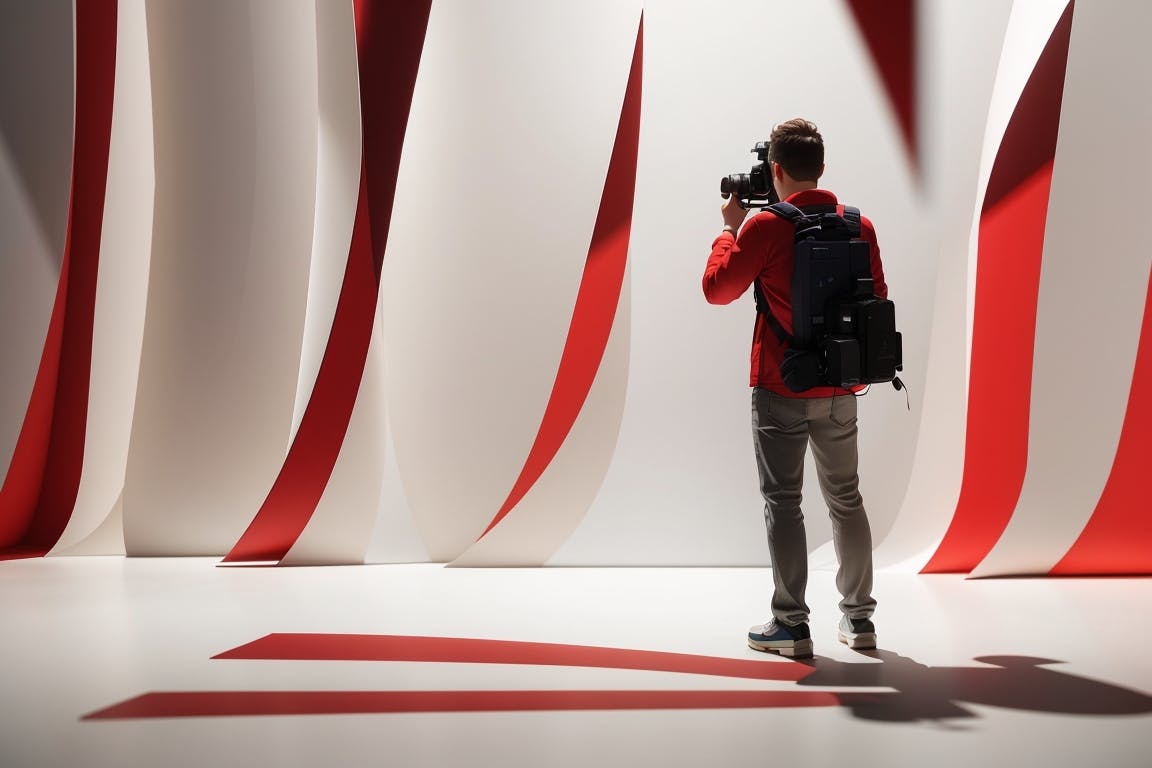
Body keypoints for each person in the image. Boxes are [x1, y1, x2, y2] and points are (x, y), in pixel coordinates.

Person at [702, 118, 886, 658]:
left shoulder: (764, 227)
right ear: (822, 167)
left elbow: (717, 290)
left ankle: (791, 626)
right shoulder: (860, 225)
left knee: (784, 502)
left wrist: (729, 230)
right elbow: (876, 298)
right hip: (839, 388)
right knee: (846, 499)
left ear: (774, 170)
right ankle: (859, 621)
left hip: (780, 384)